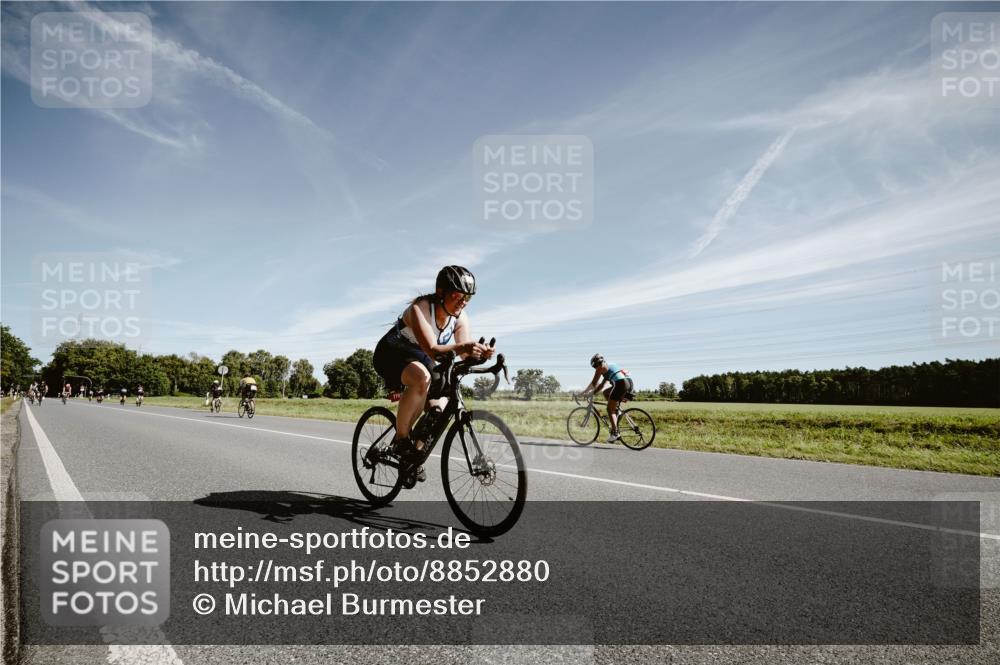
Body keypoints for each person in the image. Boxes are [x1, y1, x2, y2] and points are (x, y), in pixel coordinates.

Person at [373, 265, 492, 466]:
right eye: (457, 295)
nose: (463, 302)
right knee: (422, 378)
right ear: (441, 292)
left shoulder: (460, 318)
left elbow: (463, 353)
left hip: (421, 357)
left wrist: (480, 353)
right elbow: (433, 350)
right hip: (392, 352)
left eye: (468, 297)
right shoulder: (420, 308)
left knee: (439, 409)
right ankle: (401, 440)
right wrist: (465, 347)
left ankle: (412, 458)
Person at [581, 354, 634, 443]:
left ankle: (615, 433)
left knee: (609, 409)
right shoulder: (609, 366)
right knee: (606, 392)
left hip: (620, 384)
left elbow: (594, 383)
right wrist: (592, 394)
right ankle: (616, 410)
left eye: (595, 366)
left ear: (596, 364)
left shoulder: (600, 368)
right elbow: (601, 385)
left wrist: (583, 393)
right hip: (628, 382)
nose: (596, 368)